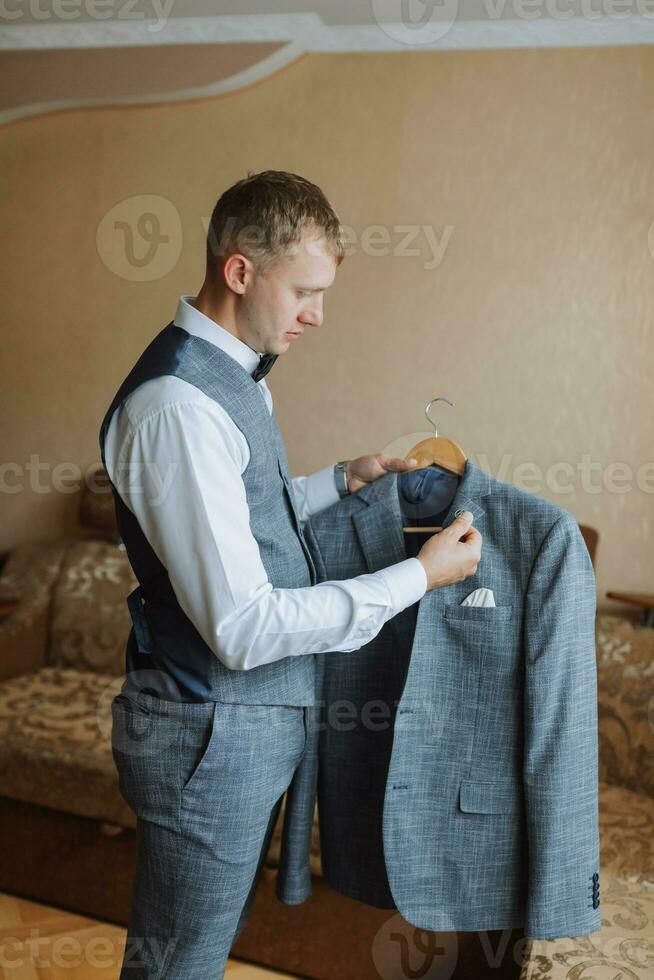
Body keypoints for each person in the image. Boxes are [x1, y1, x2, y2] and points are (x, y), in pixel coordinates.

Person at [99, 170, 482, 979]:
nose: (317, 314)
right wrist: (417, 577)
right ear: (239, 271)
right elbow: (243, 627)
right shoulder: (178, 407)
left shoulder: (234, 377)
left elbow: (244, 520)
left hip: (244, 730)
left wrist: (337, 479)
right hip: (208, 734)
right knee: (176, 968)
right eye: (305, 291)